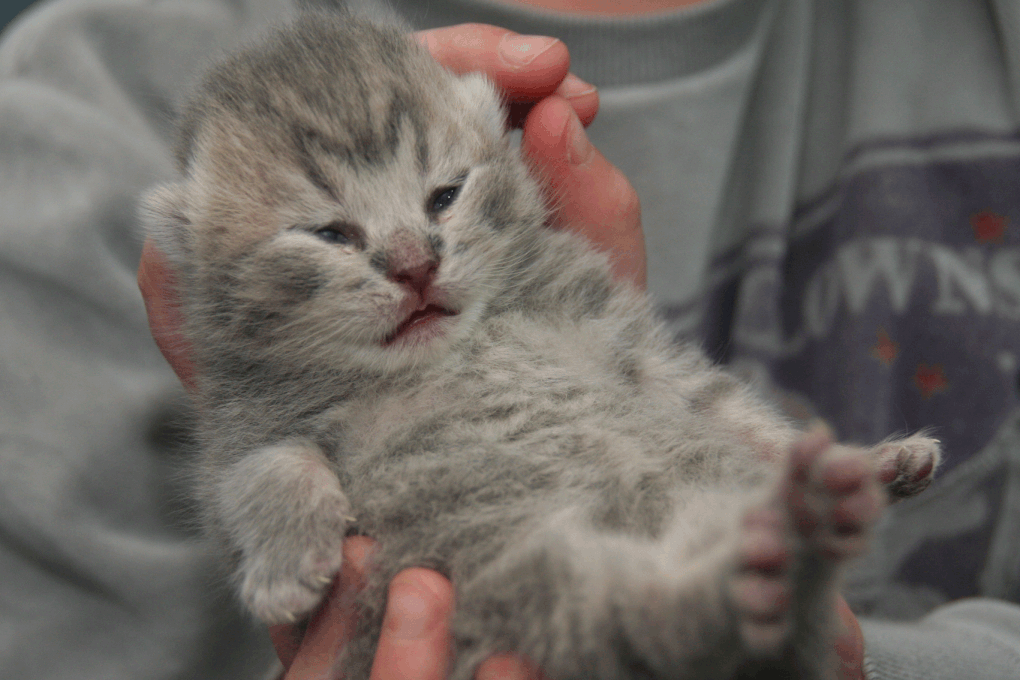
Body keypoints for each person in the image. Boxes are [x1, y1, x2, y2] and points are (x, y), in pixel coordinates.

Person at [4, 1, 1020, 679]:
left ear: (493, 148)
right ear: (199, 262)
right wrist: (287, 492)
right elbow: (264, 471)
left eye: (445, 195)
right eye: (328, 233)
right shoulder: (68, 128)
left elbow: (666, 378)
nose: (413, 258)